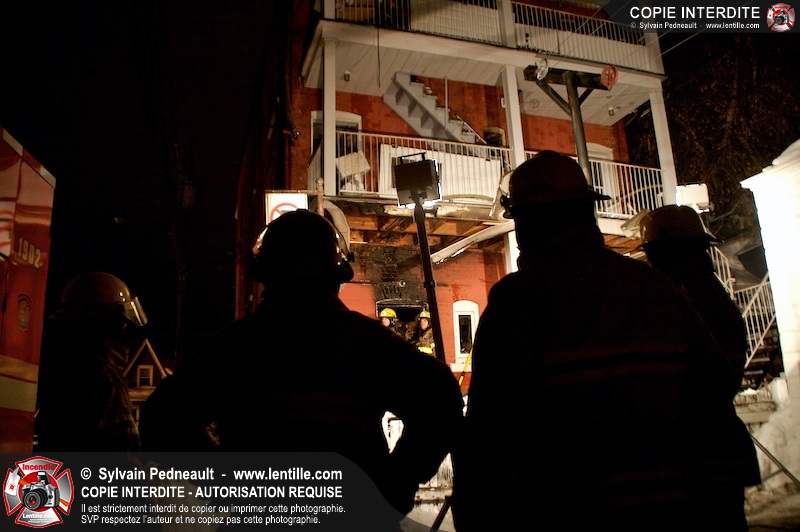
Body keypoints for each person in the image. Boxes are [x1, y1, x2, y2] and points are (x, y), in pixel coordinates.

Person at [451, 151, 748, 530]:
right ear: (586, 211)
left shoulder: (518, 302)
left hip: (569, 514)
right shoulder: (656, 289)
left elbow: (490, 435)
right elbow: (714, 384)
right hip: (669, 511)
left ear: (528, 221)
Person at [140, 209, 463, 526]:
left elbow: (161, 420)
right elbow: (441, 397)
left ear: (265, 276)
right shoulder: (366, 343)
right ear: (336, 278)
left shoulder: (234, 348)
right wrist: (394, 487)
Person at [641, 204, 761, 528]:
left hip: (697, 453)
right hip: (717, 448)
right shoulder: (706, 293)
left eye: (651, 252)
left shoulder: (684, 299)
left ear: (666, 251)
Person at [35, 272, 147, 452]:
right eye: (120, 318)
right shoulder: (103, 376)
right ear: (103, 320)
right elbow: (123, 453)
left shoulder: (58, 368)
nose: (125, 326)